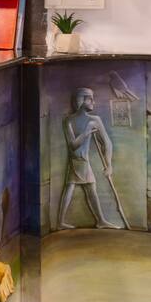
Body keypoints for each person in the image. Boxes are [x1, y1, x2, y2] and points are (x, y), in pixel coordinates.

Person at [58, 87, 121, 229]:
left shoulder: (95, 119)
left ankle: (99, 220)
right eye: (90, 99)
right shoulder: (68, 120)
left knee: (82, 187)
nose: (93, 102)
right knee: (83, 187)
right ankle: (99, 220)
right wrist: (87, 130)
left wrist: (109, 165)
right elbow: (73, 145)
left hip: (83, 161)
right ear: (81, 100)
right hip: (76, 160)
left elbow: (107, 143)